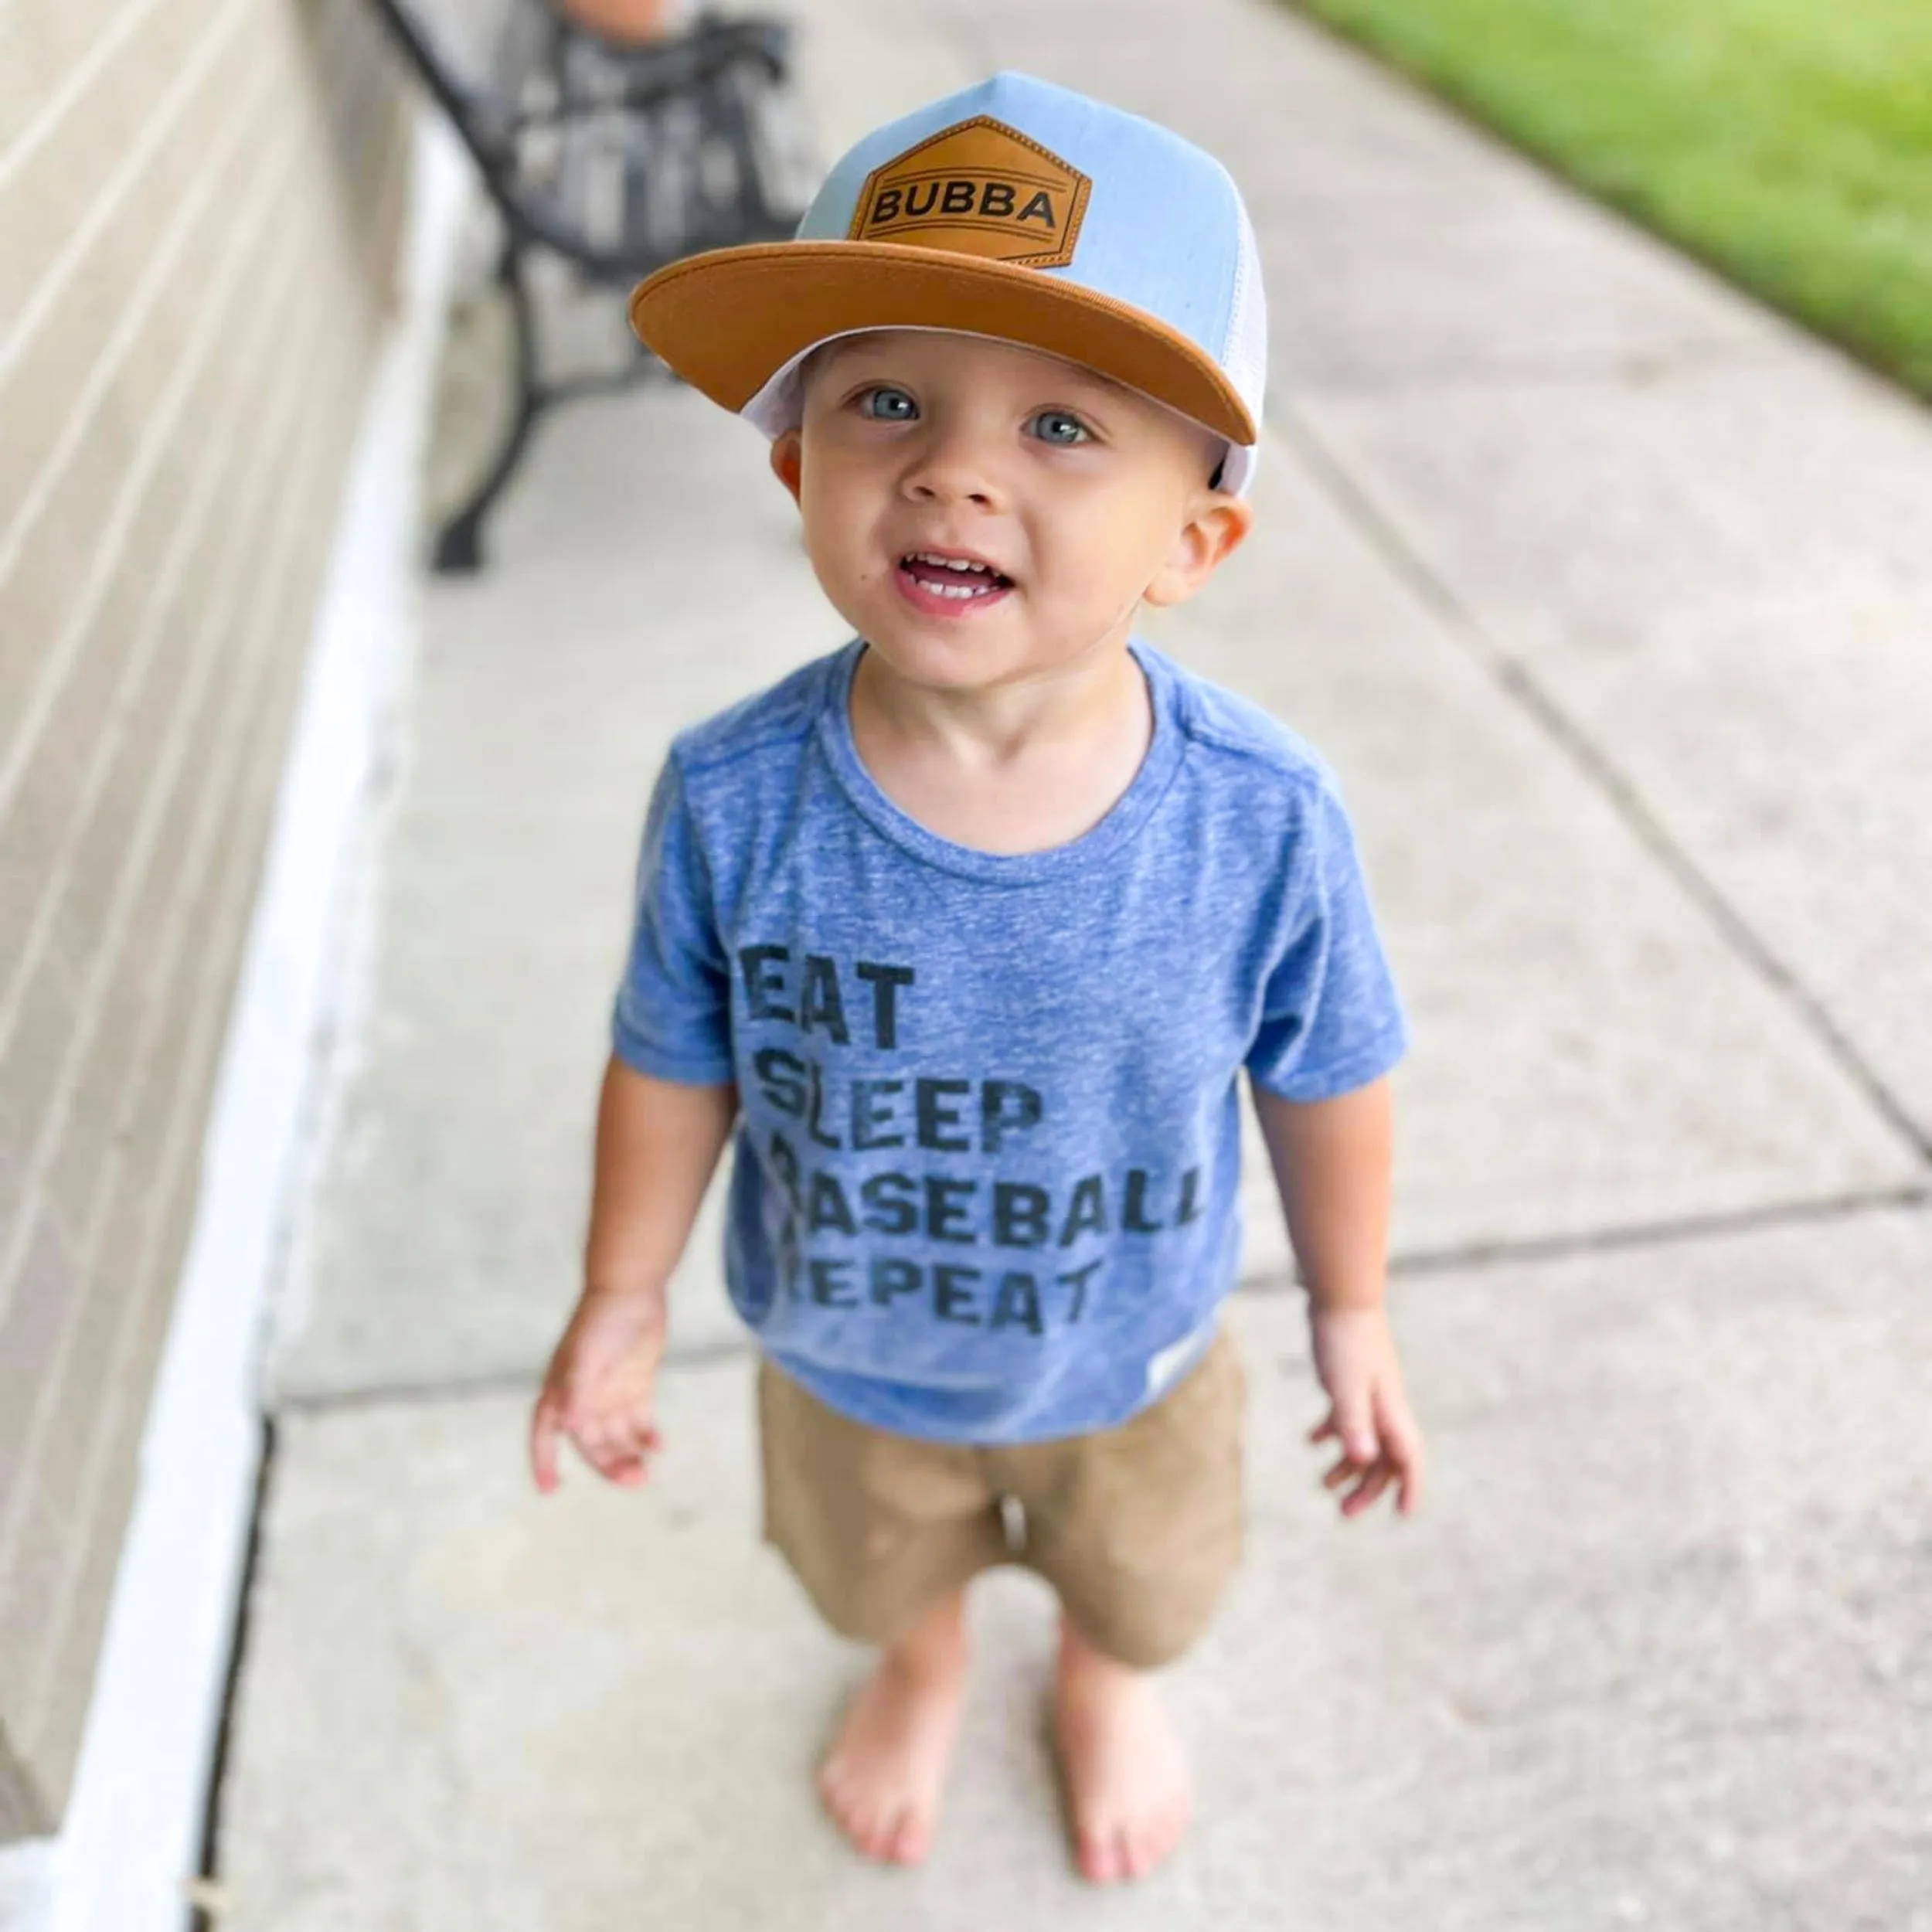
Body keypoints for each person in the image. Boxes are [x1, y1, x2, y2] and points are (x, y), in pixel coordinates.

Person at [529, 70, 1425, 1886]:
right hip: (849, 1346)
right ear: (795, 464)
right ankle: (927, 1666)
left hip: (1137, 1343)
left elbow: (1326, 1066)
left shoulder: (1255, 818)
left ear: (1195, 538)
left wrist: (1350, 1309)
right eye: (885, 400)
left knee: (1142, 1576)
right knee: (880, 1564)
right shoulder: (730, 794)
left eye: (1064, 428)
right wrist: (623, 1289)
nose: (951, 467)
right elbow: (669, 1053)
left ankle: (1097, 1680)